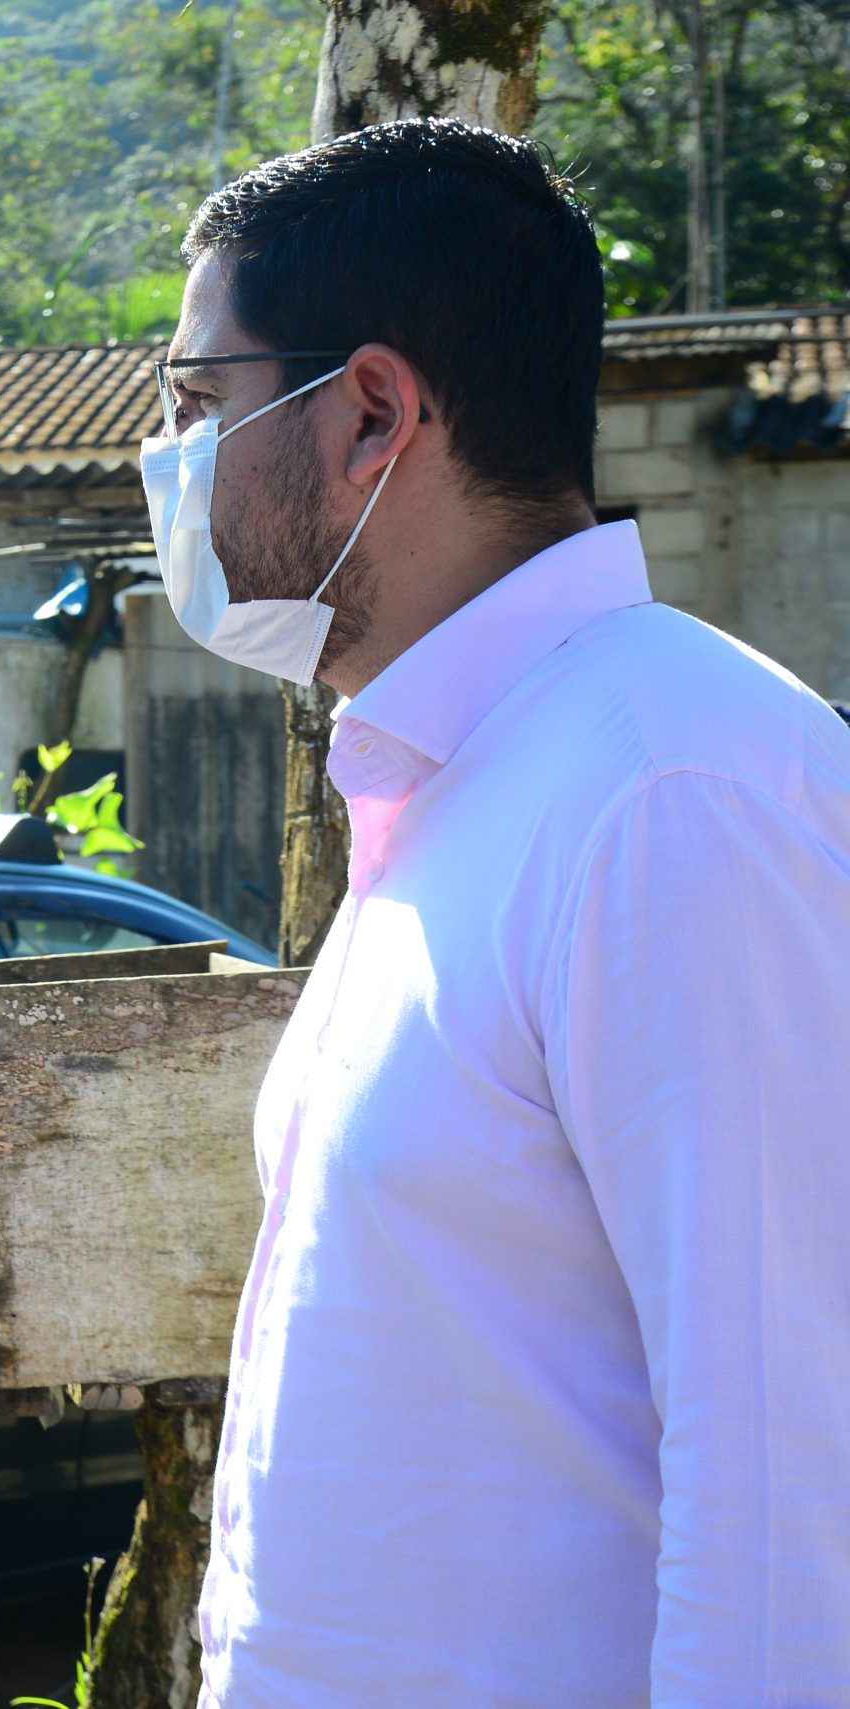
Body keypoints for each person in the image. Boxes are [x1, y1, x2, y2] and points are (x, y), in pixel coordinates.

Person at [142, 118, 850, 1705]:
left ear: (373, 414)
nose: (166, 465)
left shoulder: (672, 791)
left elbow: (793, 1490)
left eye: (199, 407)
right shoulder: (466, 779)